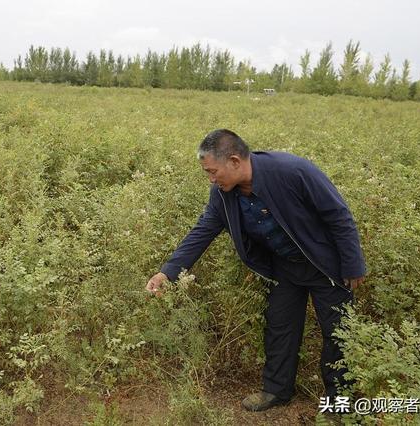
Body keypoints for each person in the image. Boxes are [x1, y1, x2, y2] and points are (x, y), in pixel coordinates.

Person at [145, 129, 365, 412]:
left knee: (338, 333)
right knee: (280, 328)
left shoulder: (292, 170)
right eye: (207, 173)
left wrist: (352, 264)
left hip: (326, 266)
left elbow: (339, 215)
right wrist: (167, 273)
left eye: (213, 171)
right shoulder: (222, 195)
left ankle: (340, 403)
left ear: (235, 161)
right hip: (284, 268)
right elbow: (203, 231)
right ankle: (277, 391)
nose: (211, 179)